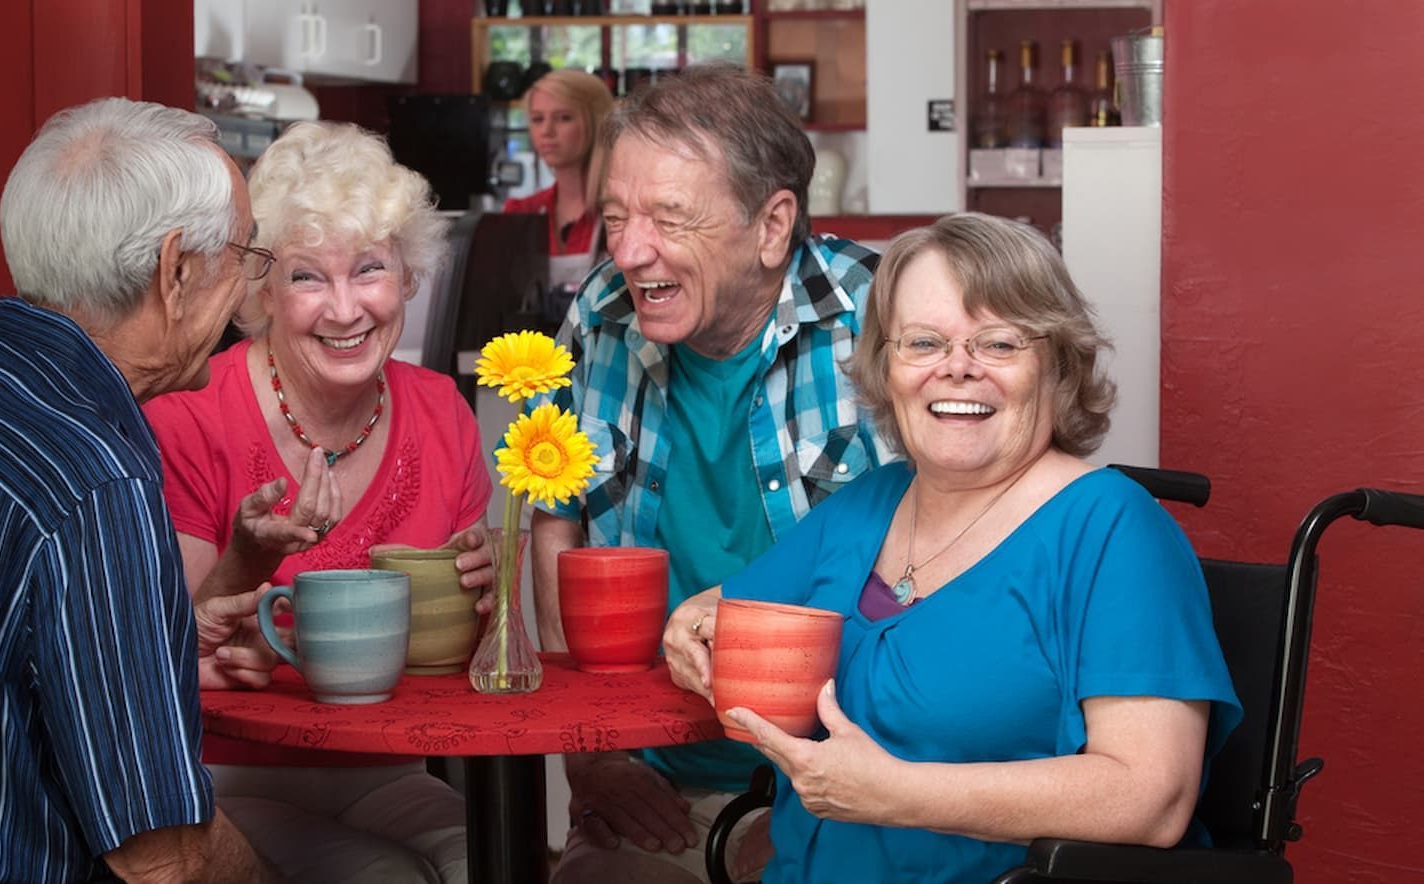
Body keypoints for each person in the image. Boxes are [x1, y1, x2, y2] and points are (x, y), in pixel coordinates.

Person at [663, 213, 1243, 883]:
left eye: (998, 343)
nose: (957, 370)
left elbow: (1153, 798)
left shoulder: (1113, 531)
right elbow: (729, 610)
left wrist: (896, 794)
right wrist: (690, 625)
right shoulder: (866, 506)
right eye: (924, 342)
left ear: (1056, 364)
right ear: (887, 366)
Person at [528, 63, 896, 883]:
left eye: (668, 217)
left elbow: (960, 561)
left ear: (772, 226)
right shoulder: (601, 313)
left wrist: (817, 809)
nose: (627, 250)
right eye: (616, 216)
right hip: (651, 786)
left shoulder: (885, 318)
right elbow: (557, 516)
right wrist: (590, 756)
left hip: (846, 786)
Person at [0, 97, 278, 881]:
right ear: (177, 270)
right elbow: (163, 859)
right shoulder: (97, 480)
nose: (251, 287)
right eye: (247, 254)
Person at [142, 120, 494, 884]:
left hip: (388, 769)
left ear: (409, 274)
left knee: (489, 861)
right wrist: (246, 561)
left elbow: (464, 656)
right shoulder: (191, 416)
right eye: (307, 277)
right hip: (226, 776)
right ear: (259, 290)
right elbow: (165, 650)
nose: (345, 309)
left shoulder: (442, 412)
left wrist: (489, 602)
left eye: (369, 269)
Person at [504, 68, 615, 258]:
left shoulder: (620, 213)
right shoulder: (520, 214)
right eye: (537, 119)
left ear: (597, 121)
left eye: (564, 118)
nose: (546, 131)